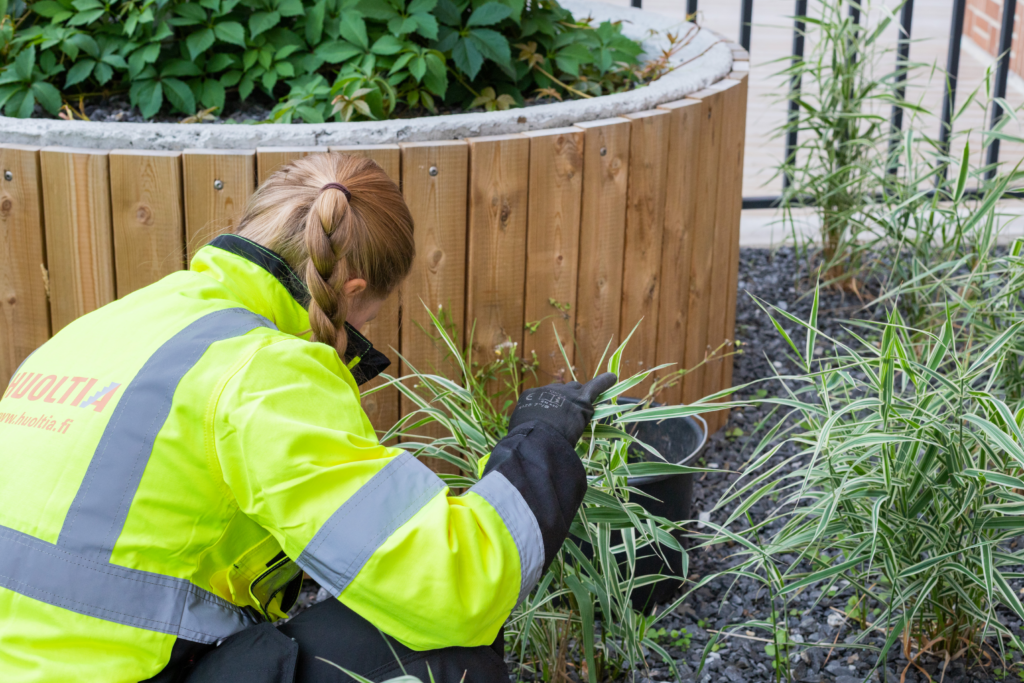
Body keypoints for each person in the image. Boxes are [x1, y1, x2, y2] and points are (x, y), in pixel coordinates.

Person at [0, 152, 616, 683]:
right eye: (366, 320)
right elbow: (452, 585)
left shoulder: (115, 323)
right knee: (439, 649)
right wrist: (537, 442)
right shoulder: (264, 371)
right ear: (351, 291)